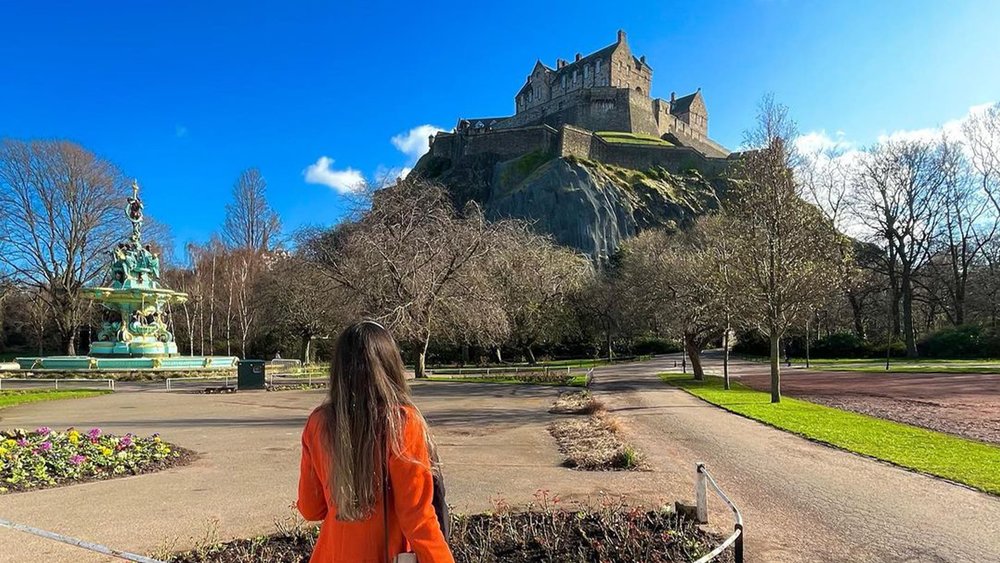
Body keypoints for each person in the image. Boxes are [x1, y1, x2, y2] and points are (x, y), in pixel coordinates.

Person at [297, 320, 453, 563]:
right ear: (390, 365)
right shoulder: (401, 423)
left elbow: (311, 509)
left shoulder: (319, 423)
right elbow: (417, 517)